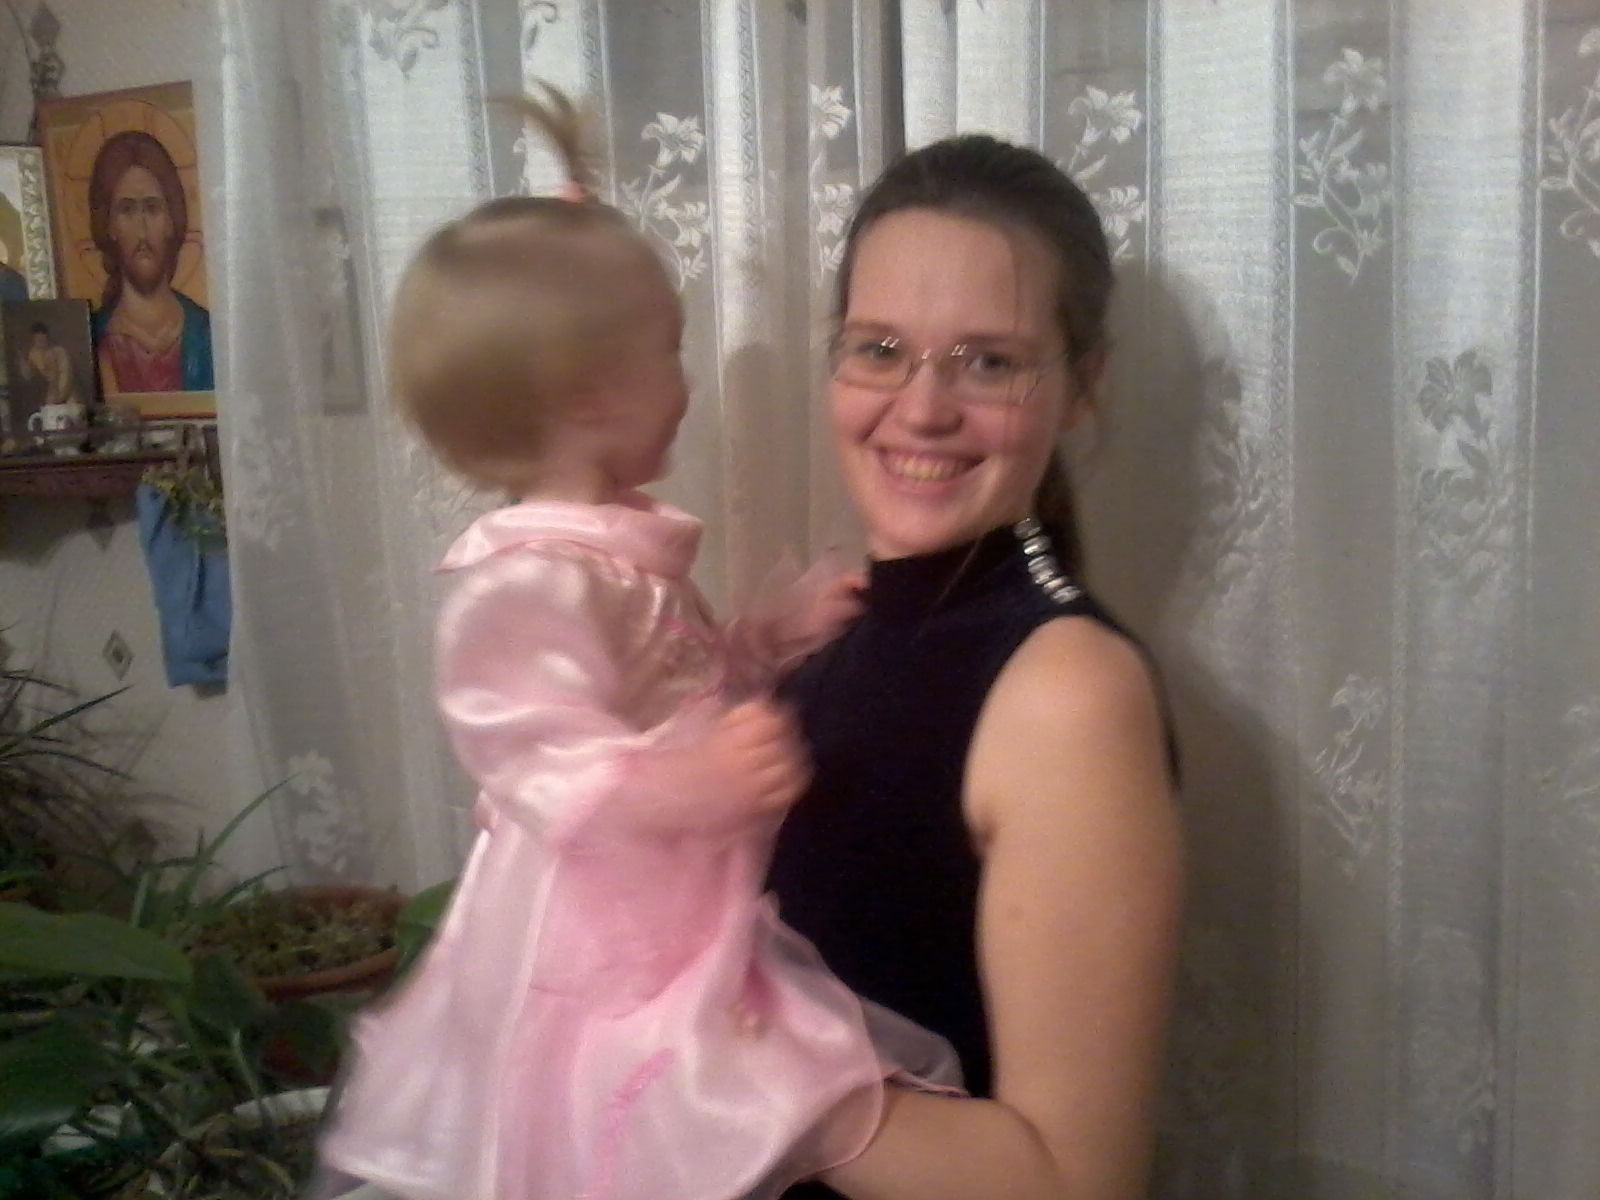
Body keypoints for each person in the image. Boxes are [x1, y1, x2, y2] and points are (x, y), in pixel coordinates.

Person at [316, 88, 959, 1200]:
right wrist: (689, 783)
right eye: (668, 351)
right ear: (588, 397)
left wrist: (768, 638)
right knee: (620, 1117)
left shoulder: (614, 554)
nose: (687, 379)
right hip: (592, 929)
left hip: (672, 888)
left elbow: (674, 686)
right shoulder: (527, 581)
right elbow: (541, 762)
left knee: (705, 1097)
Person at [766, 134, 1185, 1200]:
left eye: (988, 362)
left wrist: (721, 1061)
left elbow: (1071, 1183)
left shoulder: (1067, 692)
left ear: (1081, 385)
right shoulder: (833, 630)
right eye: (878, 349)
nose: (921, 409)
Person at [86, 129, 214, 393]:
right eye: (127, 210)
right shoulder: (93, 338)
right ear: (109, 225)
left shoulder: (206, 331)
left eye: (152, 208)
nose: (142, 230)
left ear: (171, 221)